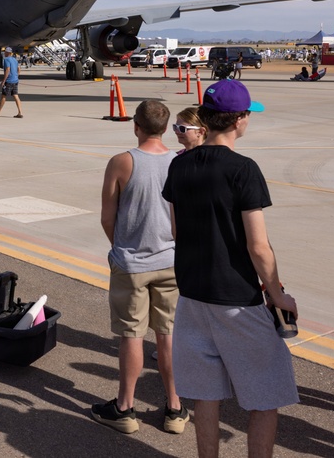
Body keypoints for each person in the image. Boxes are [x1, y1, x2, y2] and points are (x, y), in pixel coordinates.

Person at [162, 80, 298, 458]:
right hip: (237, 299)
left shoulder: (179, 165)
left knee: (207, 397)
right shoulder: (243, 169)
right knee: (264, 395)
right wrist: (276, 293)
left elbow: (176, 230)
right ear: (239, 120)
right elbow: (258, 245)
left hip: (192, 296)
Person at [91, 100, 186, 435]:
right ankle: (174, 408)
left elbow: (107, 215)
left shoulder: (122, 162)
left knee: (131, 334)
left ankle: (125, 407)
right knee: (168, 334)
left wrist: (120, 246)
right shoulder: (178, 161)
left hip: (132, 262)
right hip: (171, 261)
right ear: (165, 127)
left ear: (136, 125)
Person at [0, 47, 23, 118]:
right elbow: (19, 69)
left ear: (8, 53)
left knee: (3, 96)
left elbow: (8, 69)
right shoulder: (15, 60)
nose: (4, 53)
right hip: (15, 80)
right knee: (16, 95)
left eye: (5, 52)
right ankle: (20, 112)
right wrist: (16, 76)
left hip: (9, 81)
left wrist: (4, 81)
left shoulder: (6, 60)